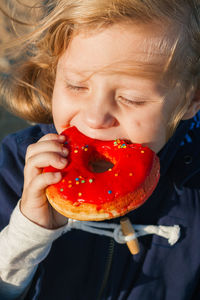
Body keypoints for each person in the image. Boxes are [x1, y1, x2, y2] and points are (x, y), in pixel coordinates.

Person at [0, 0, 200, 299]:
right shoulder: (17, 167)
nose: (94, 118)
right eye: (77, 86)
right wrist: (29, 229)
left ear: (190, 100)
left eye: (132, 99)